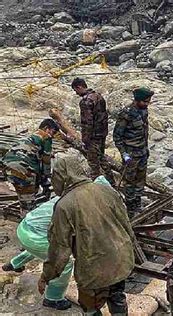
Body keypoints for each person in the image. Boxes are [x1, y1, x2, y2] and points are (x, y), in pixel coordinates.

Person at [39, 155, 134, 315]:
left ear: (60, 176)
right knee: (117, 297)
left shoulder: (64, 205)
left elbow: (60, 250)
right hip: (120, 259)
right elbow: (127, 226)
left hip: (93, 268)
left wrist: (46, 276)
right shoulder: (106, 190)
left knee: (90, 306)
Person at [2, 175, 113, 310]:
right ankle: (53, 298)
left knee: (45, 246)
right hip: (34, 237)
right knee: (64, 262)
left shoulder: (72, 193)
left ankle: (14, 264)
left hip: (24, 228)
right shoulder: (83, 206)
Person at [2, 119, 59, 214]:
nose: (52, 136)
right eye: (53, 132)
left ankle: (25, 209)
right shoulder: (46, 138)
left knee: (25, 193)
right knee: (28, 204)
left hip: (6, 167)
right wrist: (46, 178)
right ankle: (27, 223)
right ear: (46, 128)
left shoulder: (28, 136)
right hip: (22, 169)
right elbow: (46, 161)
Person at [113, 87, 154, 215]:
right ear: (137, 100)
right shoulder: (126, 113)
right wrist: (123, 153)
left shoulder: (143, 111)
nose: (147, 104)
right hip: (131, 154)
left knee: (140, 180)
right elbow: (117, 136)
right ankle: (130, 209)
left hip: (142, 152)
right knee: (129, 182)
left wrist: (146, 149)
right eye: (145, 102)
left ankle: (137, 204)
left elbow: (145, 131)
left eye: (148, 102)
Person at [71, 77, 114, 185]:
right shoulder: (99, 96)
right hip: (102, 134)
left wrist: (85, 138)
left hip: (93, 136)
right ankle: (111, 181)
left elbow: (87, 122)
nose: (76, 93)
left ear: (79, 87)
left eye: (76, 90)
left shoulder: (86, 101)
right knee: (101, 157)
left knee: (94, 162)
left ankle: (98, 185)